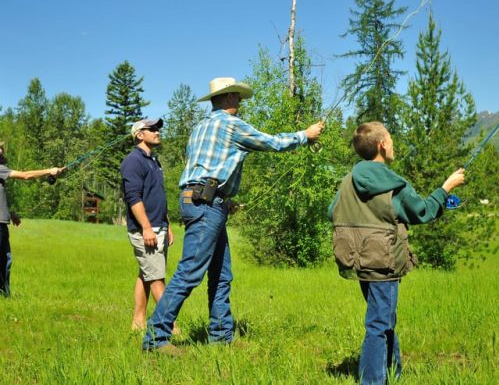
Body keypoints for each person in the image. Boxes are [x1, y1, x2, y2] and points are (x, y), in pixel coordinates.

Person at [142, 77, 324, 354]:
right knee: (190, 272)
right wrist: (305, 136)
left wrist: (223, 199)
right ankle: (155, 338)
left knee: (221, 273)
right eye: (237, 97)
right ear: (227, 99)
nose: (240, 102)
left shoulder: (201, 127)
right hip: (206, 203)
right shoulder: (231, 124)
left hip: (203, 201)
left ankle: (222, 335)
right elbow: (271, 143)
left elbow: (204, 167)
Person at [329, 122, 465, 384]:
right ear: (382, 145)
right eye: (390, 139)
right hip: (384, 262)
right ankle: (373, 380)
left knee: (383, 317)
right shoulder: (394, 184)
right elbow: (422, 211)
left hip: (358, 259)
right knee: (379, 324)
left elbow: (331, 211)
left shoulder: (347, 181)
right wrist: (447, 187)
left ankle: (393, 372)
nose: (393, 144)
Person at [120, 118, 176, 331]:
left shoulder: (153, 161)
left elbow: (157, 196)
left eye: (158, 129)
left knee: (147, 274)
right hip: (146, 229)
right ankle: (171, 326)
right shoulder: (133, 161)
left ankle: (138, 322)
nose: (157, 132)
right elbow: (133, 198)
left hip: (158, 226)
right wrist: (146, 227)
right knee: (157, 279)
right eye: (152, 129)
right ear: (139, 135)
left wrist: (166, 224)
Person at [0, 141, 65, 297]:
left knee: (5, 261)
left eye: (2, 148)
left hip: (2, 222)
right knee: (3, 261)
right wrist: (49, 170)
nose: (1, 151)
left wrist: (11, 213)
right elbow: (25, 175)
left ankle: (4, 296)